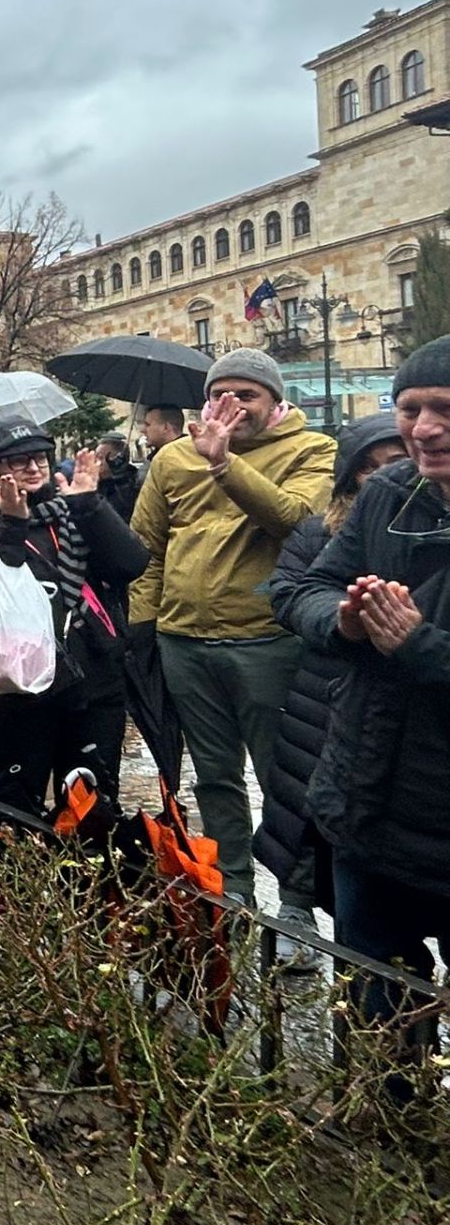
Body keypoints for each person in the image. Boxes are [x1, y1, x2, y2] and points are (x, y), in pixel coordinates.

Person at [282, 338, 450, 1055]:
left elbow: (415, 647)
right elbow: (302, 589)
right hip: (371, 800)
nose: (423, 429)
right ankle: (387, 1127)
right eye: (409, 409)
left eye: (443, 410)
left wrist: (419, 648)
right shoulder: (388, 495)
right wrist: (344, 620)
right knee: (377, 999)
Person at [129, 349, 336, 904]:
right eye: (220, 395)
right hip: (184, 641)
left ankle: (298, 904)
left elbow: (298, 523)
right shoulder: (173, 458)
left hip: (266, 642)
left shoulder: (313, 450)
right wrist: (141, 628)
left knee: (286, 782)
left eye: (247, 396)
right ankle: (231, 893)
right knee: (215, 778)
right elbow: (146, 549)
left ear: (273, 403)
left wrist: (225, 465)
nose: (232, 406)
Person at [260, 413, 406, 972]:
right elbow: (292, 592)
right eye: (365, 467)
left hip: (394, 708)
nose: (378, 478)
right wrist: (342, 620)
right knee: (309, 811)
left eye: (392, 464)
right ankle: (297, 912)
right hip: (322, 694)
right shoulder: (324, 530)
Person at [0, 422, 149, 817]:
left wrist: (91, 506)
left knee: (93, 810)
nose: (34, 468)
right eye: (19, 461)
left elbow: (131, 564)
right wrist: (11, 524)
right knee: (15, 813)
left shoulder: (75, 510)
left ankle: (89, 879)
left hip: (90, 683)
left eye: (40, 457)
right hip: (17, 694)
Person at [95, 431, 140, 523]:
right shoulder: (95, 484)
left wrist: (118, 477)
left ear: (118, 459)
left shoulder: (132, 483)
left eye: (100, 457)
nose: (96, 462)